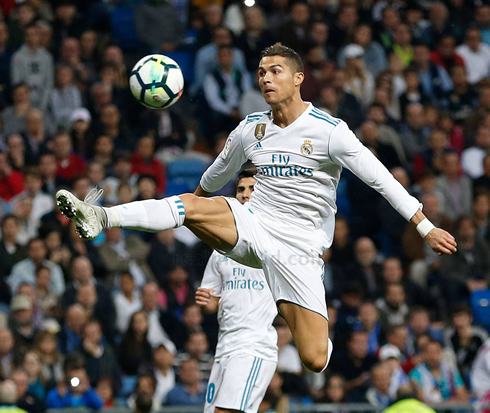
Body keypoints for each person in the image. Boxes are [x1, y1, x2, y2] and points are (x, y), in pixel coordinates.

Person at [56, 43, 457, 374]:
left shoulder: (330, 131)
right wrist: (191, 209)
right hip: (255, 223)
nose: (266, 78)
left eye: (276, 71)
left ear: (298, 78)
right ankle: (101, 216)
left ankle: (287, 302)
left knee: (315, 359)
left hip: (300, 250)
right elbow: (212, 179)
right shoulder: (251, 129)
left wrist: (425, 227)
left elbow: (381, 178)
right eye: (262, 72)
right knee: (193, 204)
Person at [197, 169, 279, 413]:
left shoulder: (276, 242)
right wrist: (205, 301)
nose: (245, 195)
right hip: (225, 345)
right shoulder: (220, 250)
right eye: (241, 190)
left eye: (252, 189)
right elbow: (213, 302)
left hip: (253, 343)